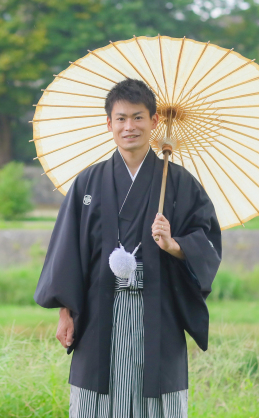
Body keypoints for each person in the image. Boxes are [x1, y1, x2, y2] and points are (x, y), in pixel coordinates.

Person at [35, 79, 222, 418]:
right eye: (120, 119)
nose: (129, 127)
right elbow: (67, 252)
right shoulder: (88, 183)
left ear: (153, 122)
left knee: (158, 403)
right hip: (97, 311)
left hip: (159, 310)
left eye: (138, 117)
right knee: (95, 402)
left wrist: (174, 244)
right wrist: (65, 311)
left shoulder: (179, 183)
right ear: (109, 124)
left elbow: (207, 242)